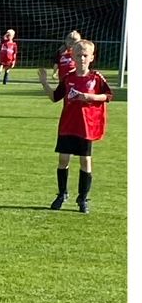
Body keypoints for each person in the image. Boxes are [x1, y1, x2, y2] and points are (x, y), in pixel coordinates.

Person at [41, 39, 111, 213]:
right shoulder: (68, 78)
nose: (82, 59)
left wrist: (89, 97)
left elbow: (108, 95)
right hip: (67, 125)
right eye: (78, 55)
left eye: (85, 55)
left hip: (85, 126)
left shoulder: (96, 78)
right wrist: (44, 82)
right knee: (63, 159)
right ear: (73, 57)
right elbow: (55, 97)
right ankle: (62, 194)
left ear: (92, 57)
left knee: (85, 160)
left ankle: (83, 198)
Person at [40, 29, 83, 106]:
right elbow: (54, 97)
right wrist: (46, 80)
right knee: (67, 100)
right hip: (64, 79)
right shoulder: (61, 52)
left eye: (74, 42)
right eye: (70, 41)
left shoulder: (80, 54)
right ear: (66, 41)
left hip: (76, 80)